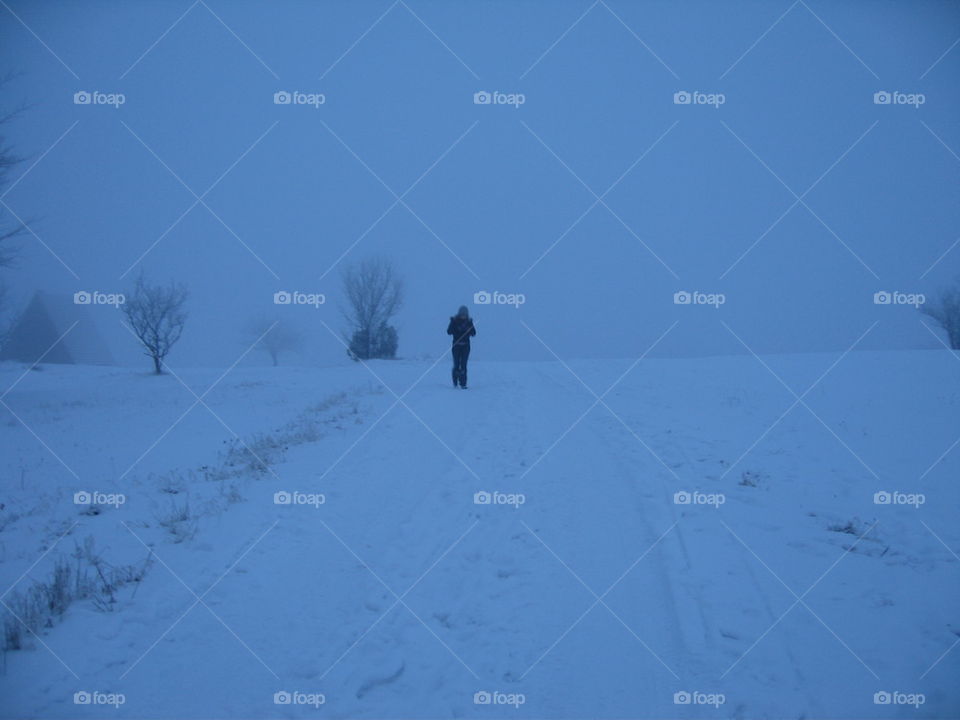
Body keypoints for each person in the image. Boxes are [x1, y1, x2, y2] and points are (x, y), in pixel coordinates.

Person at [447, 305, 476, 389]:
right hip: (456, 346)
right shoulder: (454, 321)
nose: (463, 316)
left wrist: (469, 327)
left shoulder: (469, 322)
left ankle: (463, 384)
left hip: (466, 347)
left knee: (463, 364)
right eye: (462, 314)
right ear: (459, 314)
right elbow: (449, 332)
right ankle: (455, 382)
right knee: (456, 364)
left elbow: (474, 333)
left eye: (465, 314)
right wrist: (453, 323)